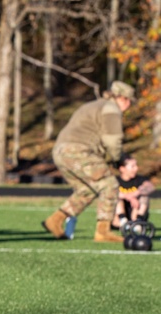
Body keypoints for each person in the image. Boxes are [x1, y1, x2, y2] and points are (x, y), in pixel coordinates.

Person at [42, 81, 135, 242]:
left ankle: (55, 220)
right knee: (109, 184)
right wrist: (118, 159)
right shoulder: (112, 109)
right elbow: (113, 140)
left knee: (87, 190)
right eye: (129, 101)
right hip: (78, 151)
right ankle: (103, 232)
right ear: (122, 98)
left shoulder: (93, 105)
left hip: (60, 151)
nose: (129, 105)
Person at [112, 153, 154, 229]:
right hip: (118, 216)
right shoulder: (115, 181)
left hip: (135, 211)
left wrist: (136, 194)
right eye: (133, 166)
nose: (136, 168)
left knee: (144, 196)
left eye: (136, 165)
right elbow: (109, 192)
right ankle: (123, 220)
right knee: (116, 197)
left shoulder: (140, 179)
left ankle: (138, 221)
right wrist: (128, 197)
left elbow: (150, 187)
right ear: (122, 169)